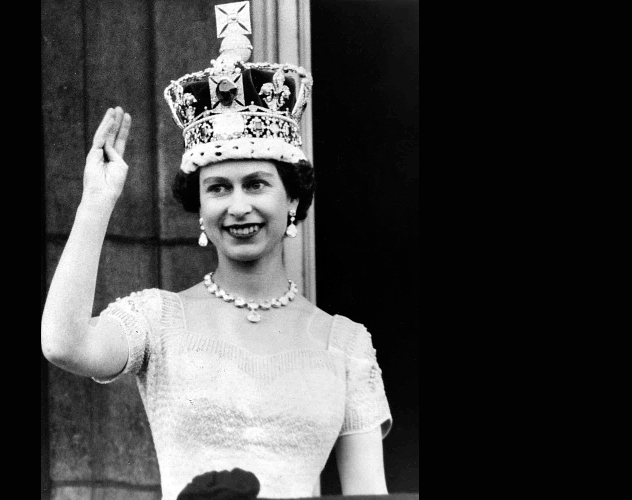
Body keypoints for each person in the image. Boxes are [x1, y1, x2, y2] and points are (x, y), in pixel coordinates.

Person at [41, 5, 391, 498]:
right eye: (219, 188)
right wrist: (97, 202)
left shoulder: (346, 346)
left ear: (292, 198)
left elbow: (367, 493)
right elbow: (63, 343)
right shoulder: (159, 320)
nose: (238, 206)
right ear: (200, 208)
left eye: (256, 184)